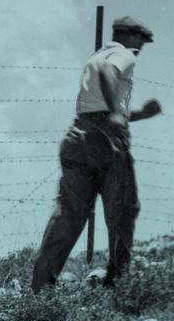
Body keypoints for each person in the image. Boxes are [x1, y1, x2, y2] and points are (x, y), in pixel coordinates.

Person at [31, 17, 163, 292]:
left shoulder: (97, 55)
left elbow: (98, 104)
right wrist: (115, 113)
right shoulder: (122, 55)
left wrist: (136, 115)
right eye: (141, 40)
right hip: (104, 140)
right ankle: (118, 286)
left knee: (69, 213)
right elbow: (108, 75)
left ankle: (41, 289)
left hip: (78, 134)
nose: (142, 47)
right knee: (122, 210)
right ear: (130, 36)